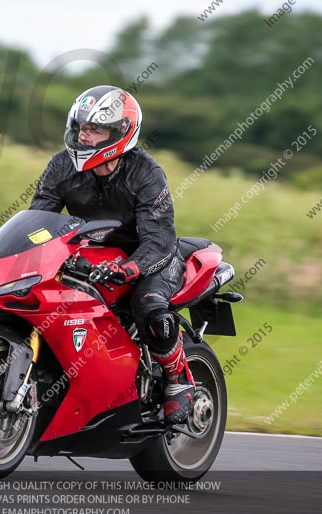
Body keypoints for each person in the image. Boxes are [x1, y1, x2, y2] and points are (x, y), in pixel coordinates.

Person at [29, 85, 195, 424]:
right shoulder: (61, 166)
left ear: (120, 132)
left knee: (147, 303)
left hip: (149, 258)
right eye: (82, 128)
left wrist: (128, 269)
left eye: (95, 130)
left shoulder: (146, 174)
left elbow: (160, 239)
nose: (85, 137)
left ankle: (177, 378)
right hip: (94, 254)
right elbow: (39, 220)